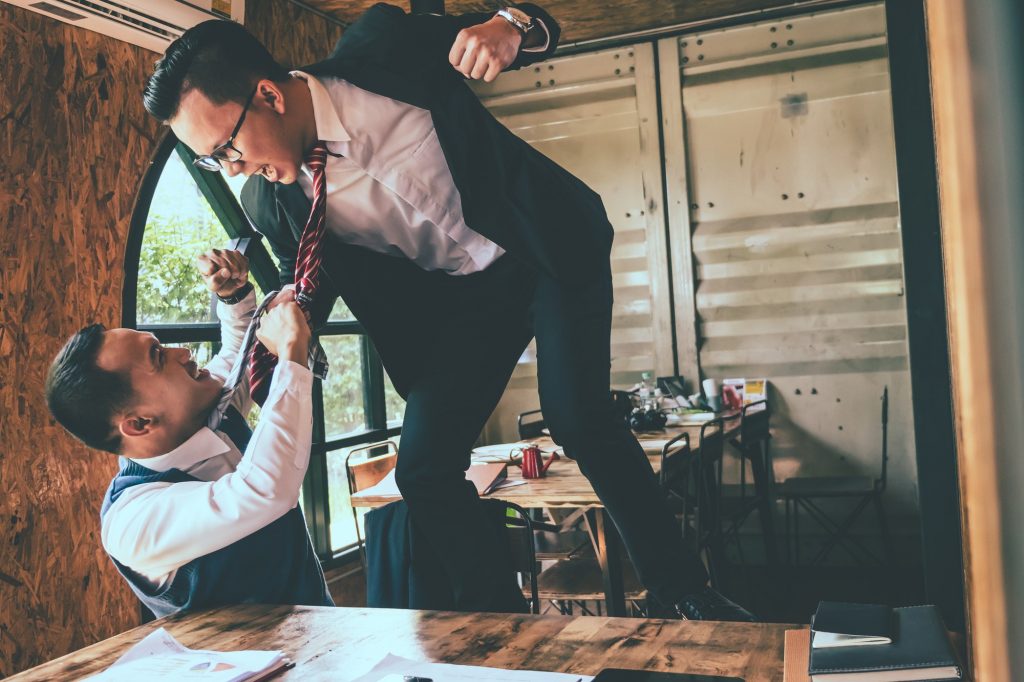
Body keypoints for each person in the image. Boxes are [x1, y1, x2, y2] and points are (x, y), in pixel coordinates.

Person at [143, 4, 754, 620]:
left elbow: (524, 25)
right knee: (424, 470)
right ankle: (505, 623)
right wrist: (259, 304)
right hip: (470, 299)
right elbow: (309, 287)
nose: (233, 168)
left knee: (578, 417)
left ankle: (687, 595)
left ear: (270, 95)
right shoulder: (273, 200)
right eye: (212, 162)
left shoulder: (381, 46)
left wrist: (510, 27)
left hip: (544, 248)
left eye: (227, 148)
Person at [44, 250, 333, 617]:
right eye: (159, 358)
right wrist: (292, 351)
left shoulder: (207, 410)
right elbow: (263, 490)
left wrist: (232, 298)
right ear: (139, 424)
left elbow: (236, 355)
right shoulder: (132, 523)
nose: (182, 352)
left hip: (324, 636)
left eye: (162, 344)